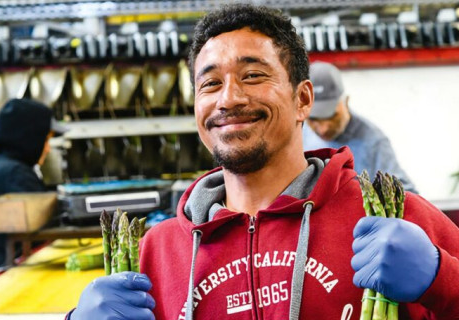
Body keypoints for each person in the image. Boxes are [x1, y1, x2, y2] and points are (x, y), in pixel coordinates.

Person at [69, 4, 459, 320]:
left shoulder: (393, 220)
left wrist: (442, 278)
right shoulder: (155, 252)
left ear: (302, 100)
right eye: (209, 84)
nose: (229, 99)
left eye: (253, 75)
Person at [0, 98, 67, 275]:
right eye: (46, 139)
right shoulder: (13, 173)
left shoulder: (1, 165)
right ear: (28, 138)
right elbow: (45, 226)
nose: (48, 149)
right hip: (10, 275)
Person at [303, 61, 417, 193]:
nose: (323, 129)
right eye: (313, 119)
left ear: (346, 101)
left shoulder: (374, 142)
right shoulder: (298, 133)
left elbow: (407, 194)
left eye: (332, 117)